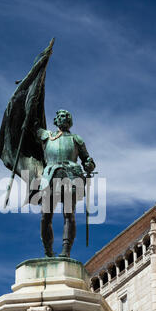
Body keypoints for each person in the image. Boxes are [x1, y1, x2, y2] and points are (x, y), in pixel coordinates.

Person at [34, 109, 95, 257]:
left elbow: (87, 159)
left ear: (69, 121)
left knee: (69, 214)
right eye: (60, 116)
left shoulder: (76, 139)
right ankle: (48, 249)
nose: (62, 119)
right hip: (50, 176)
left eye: (65, 116)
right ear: (56, 120)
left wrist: (89, 164)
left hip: (70, 175)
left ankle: (66, 250)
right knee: (45, 216)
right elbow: (32, 124)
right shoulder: (46, 136)